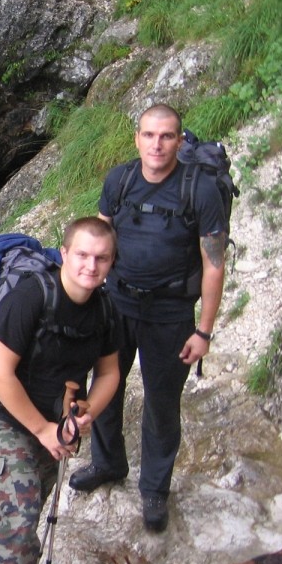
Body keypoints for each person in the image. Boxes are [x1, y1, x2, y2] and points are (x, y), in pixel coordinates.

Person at [68, 103, 227, 533]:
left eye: (167, 136)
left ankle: (155, 488)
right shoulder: (119, 180)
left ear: (179, 140)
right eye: (149, 135)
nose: (157, 145)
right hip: (116, 305)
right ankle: (107, 463)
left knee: (161, 402)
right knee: (105, 388)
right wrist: (81, 300)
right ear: (136, 138)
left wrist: (204, 331)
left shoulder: (200, 191)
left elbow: (213, 264)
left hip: (171, 313)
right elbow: (97, 242)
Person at [0, 217, 120, 564]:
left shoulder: (105, 310)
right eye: (82, 255)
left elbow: (110, 372)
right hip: (8, 422)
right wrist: (41, 429)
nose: (90, 266)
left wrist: (86, 415)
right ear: (64, 253)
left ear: (111, 263)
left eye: (100, 258)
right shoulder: (31, 297)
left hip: (56, 428)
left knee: (32, 510)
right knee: (19, 519)